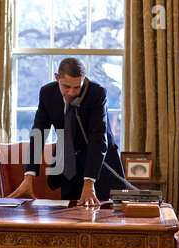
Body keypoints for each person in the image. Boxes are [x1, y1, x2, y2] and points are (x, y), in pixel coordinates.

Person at [7, 57, 126, 206]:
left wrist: (89, 183)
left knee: (101, 222)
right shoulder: (47, 93)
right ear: (57, 77)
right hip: (68, 168)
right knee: (68, 218)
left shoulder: (97, 93)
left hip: (99, 170)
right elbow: (38, 134)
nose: (72, 92)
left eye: (77, 87)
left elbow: (98, 139)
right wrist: (29, 176)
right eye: (66, 86)